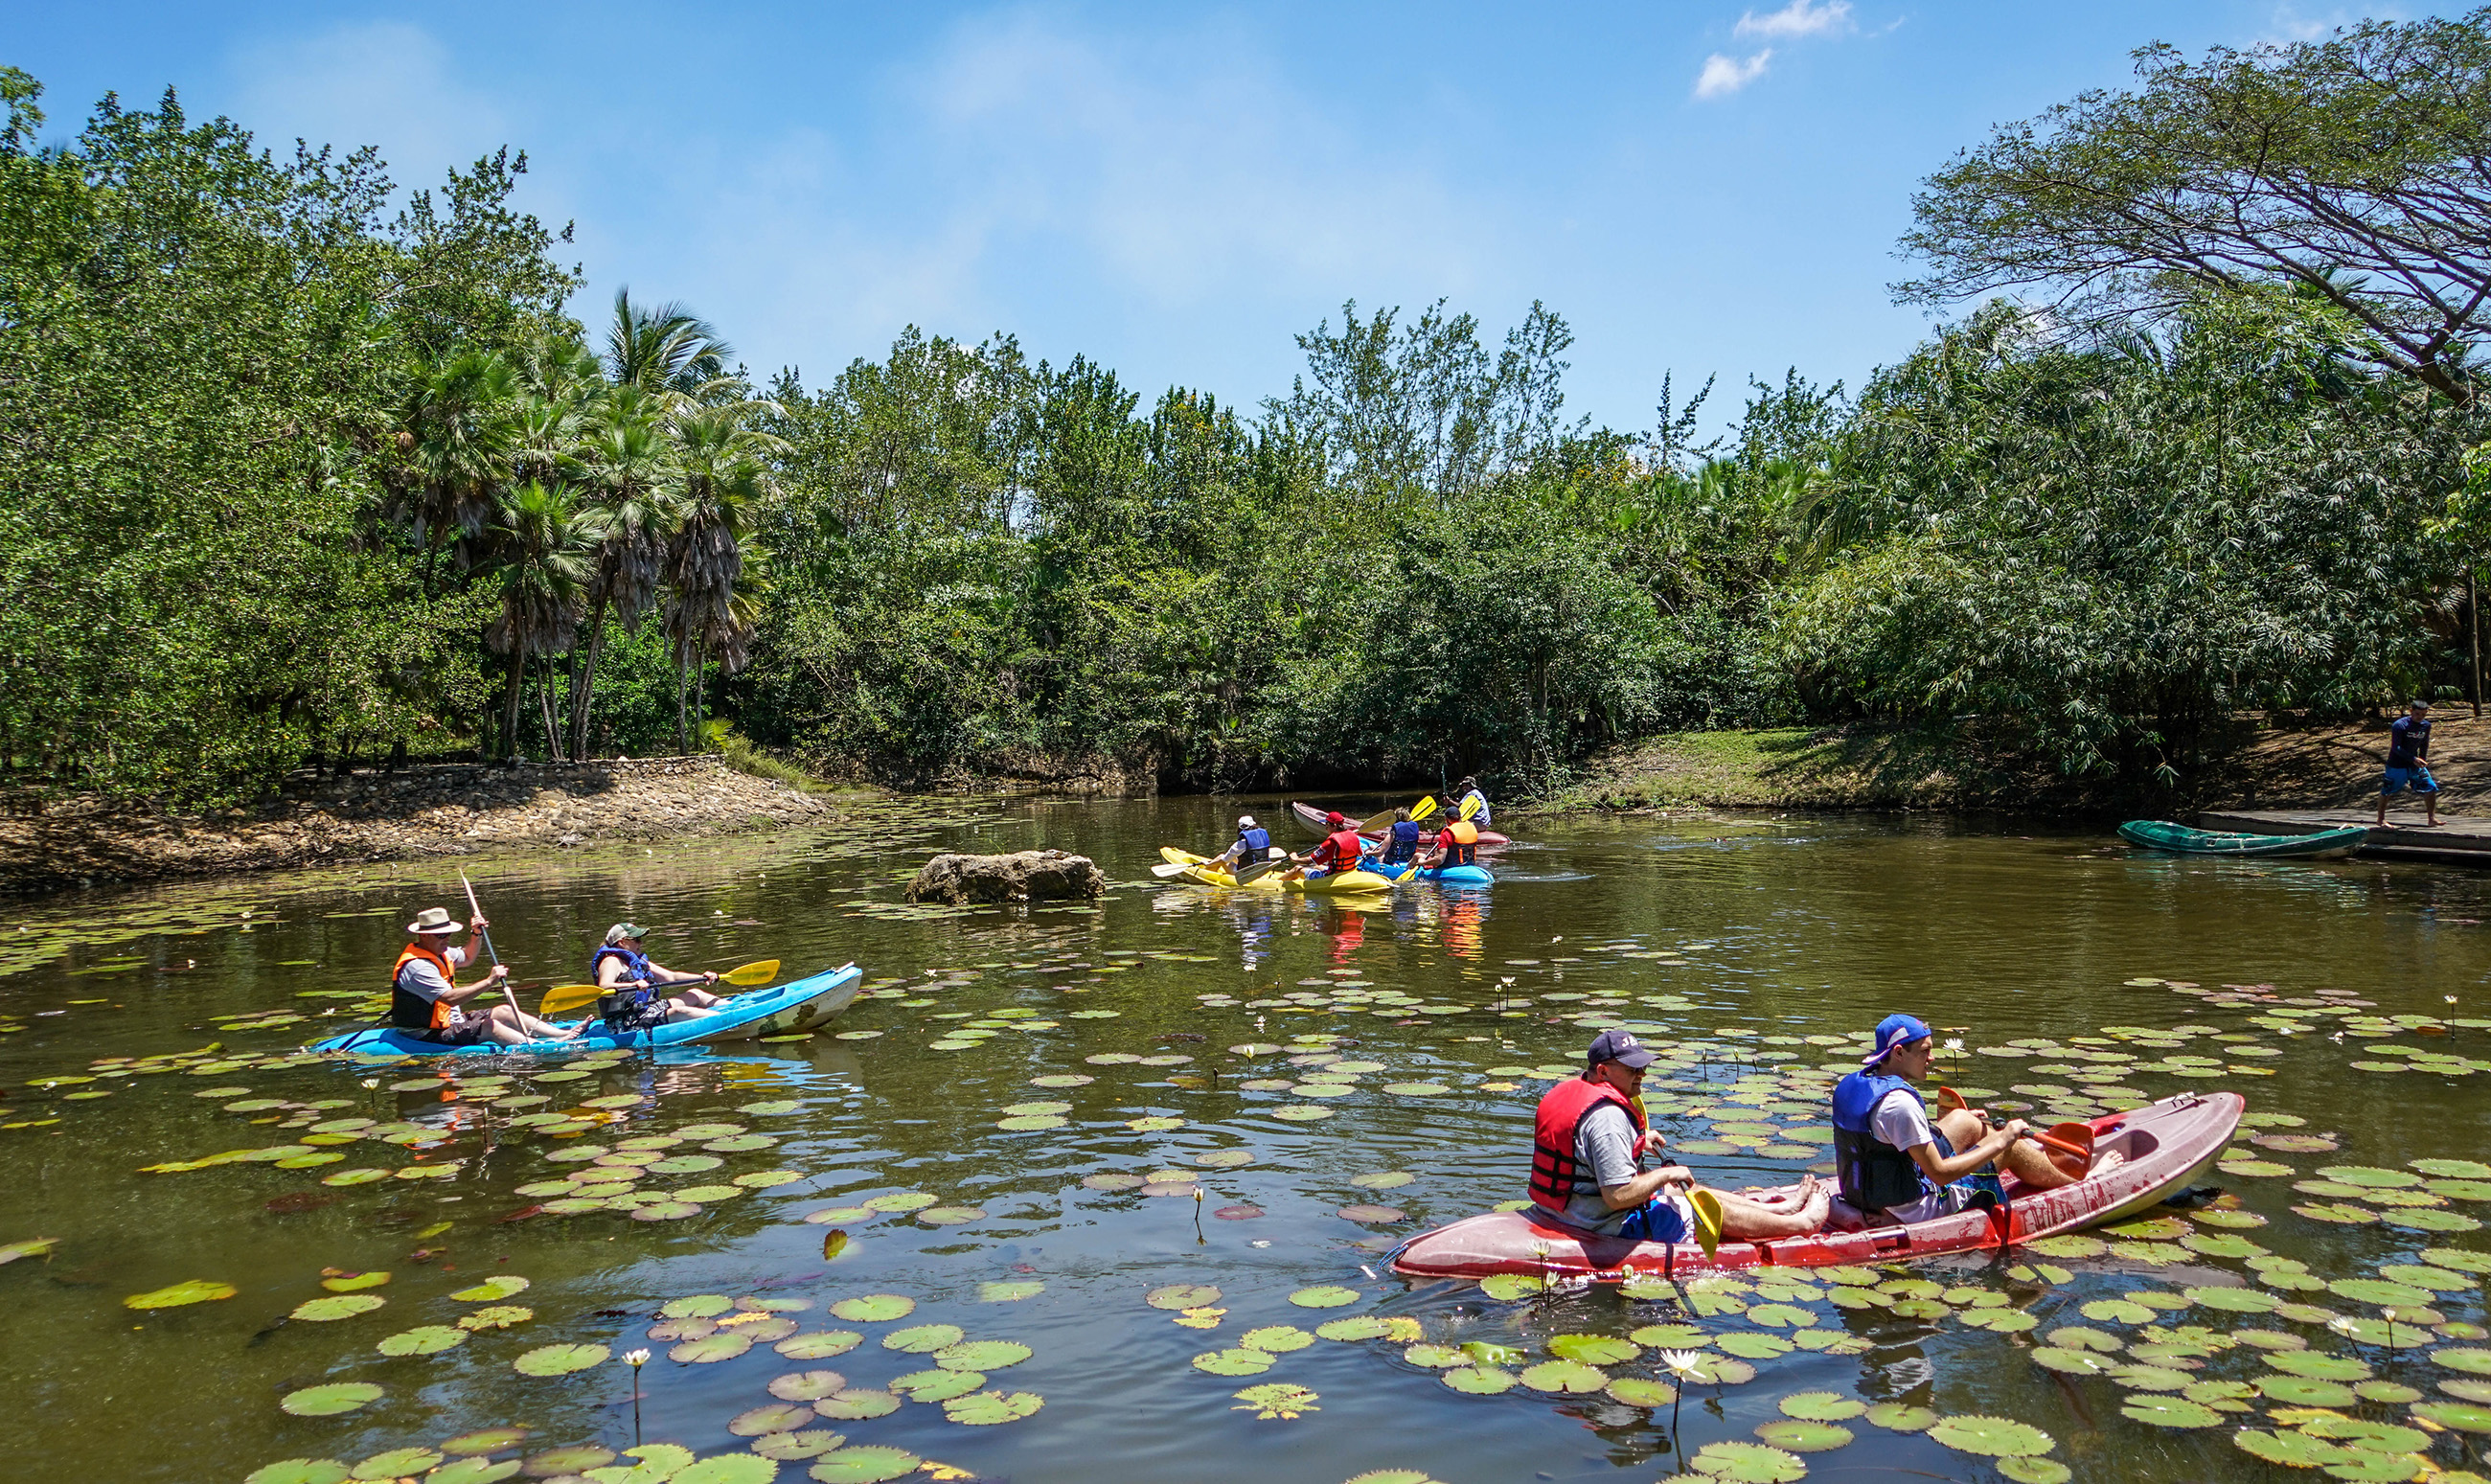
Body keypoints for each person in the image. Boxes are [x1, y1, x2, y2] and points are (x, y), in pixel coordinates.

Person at [1530, 1030, 1830, 1244]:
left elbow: (1584, 1150)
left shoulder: (1574, 1091)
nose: (1642, 1074)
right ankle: (1800, 1224)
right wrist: (1666, 1174)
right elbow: (1618, 1195)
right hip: (1601, 1225)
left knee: (1682, 1189)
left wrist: (1637, 1142)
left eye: (1643, 1066)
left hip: (1565, 1209)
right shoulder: (1608, 1118)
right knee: (1687, 1202)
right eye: (1633, 1068)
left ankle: (1777, 1209)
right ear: (1603, 1071)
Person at [1830, 1014, 2083, 1225]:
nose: (1932, 1058)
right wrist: (2003, 1141)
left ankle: (2024, 1160)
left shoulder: (1855, 1083)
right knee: (2011, 1147)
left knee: (1964, 1119)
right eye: (1924, 1051)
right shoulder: (1900, 1104)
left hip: (1864, 1192)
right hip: (1909, 1208)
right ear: (1898, 1052)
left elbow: (1882, 1140)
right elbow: (1939, 1174)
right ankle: (2075, 1185)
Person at [391, 907, 583, 1044]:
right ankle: (535, 1045)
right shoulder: (417, 967)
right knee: (490, 1026)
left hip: (450, 1021)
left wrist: (476, 934)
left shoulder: (442, 953)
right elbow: (449, 999)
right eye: (441, 935)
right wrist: (489, 982)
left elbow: (467, 957)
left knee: (504, 1011)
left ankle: (561, 1034)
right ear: (424, 936)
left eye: (448, 934)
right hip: (426, 1032)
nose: (447, 938)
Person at [592, 923, 726, 1030]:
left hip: (647, 1009)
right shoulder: (611, 961)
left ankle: (732, 1009)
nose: (641, 943)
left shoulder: (640, 961)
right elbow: (604, 988)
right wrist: (633, 985)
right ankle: (726, 1020)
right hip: (626, 1021)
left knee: (696, 994)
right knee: (680, 1011)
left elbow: (671, 977)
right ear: (622, 942)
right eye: (636, 940)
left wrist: (701, 977)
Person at [2376, 699, 2441, 828]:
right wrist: (2413, 759)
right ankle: (2381, 819)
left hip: (2414, 765)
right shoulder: (2399, 725)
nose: (2420, 717)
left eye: (2423, 715)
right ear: (2411, 711)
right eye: (2417, 714)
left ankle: (2431, 818)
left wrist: (2422, 758)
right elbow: (2396, 747)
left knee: (2430, 787)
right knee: (2388, 790)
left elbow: (2424, 743)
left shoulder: (2426, 725)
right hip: (2397, 764)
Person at [1290, 811, 1369, 880]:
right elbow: (1360, 853)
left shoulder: (1331, 842)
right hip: (1348, 870)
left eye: (1326, 824)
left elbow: (1309, 860)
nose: (1326, 827)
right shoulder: (1353, 836)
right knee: (1317, 867)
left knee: (1297, 869)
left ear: (1334, 825)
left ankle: (1280, 882)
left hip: (1332, 875)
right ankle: (1289, 875)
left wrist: (1295, 859)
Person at [1208, 814, 1279, 875]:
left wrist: (1208, 864)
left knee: (1221, 857)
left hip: (1245, 873)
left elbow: (1224, 860)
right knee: (1234, 858)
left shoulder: (1240, 844)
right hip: (1262, 869)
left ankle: (1207, 873)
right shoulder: (1263, 837)